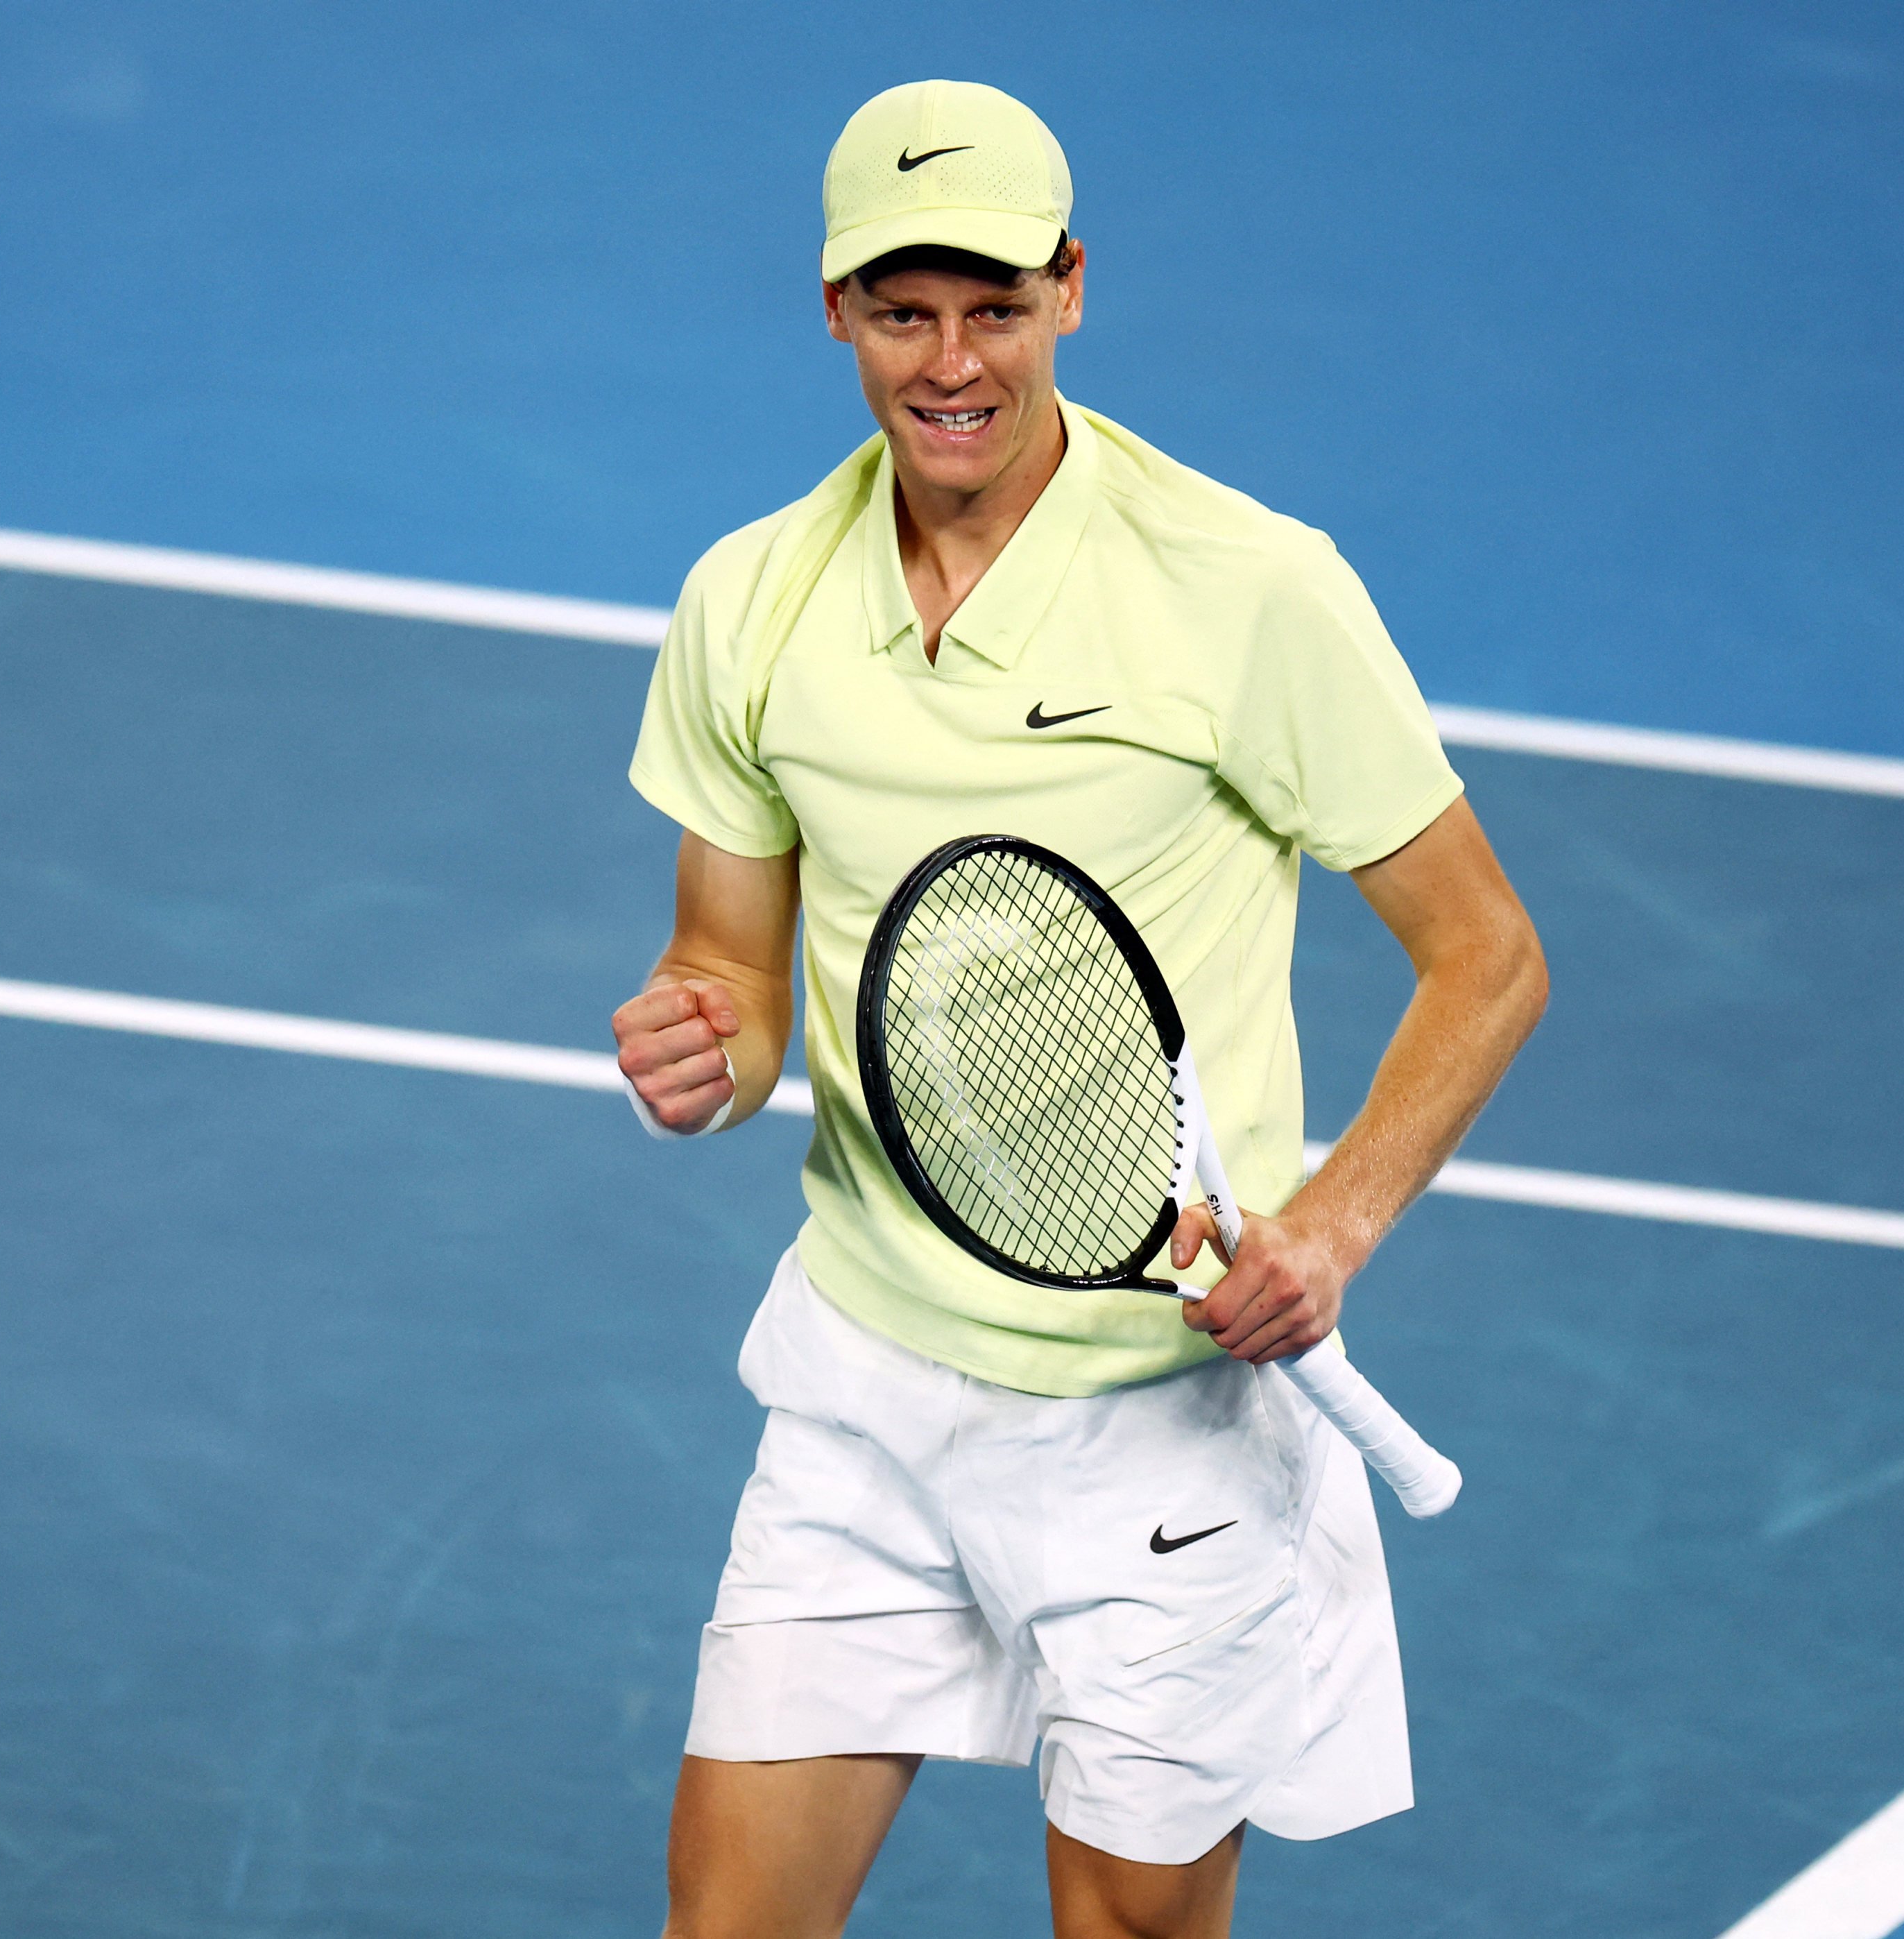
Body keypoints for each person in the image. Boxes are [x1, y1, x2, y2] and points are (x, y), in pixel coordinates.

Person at [612, 78, 1548, 1939]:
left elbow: (1489, 952)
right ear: (835, 315)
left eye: (996, 308)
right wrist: (699, 1043)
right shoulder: (750, 601)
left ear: (1071, 291)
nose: (953, 363)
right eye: (904, 312)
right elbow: (728, 963)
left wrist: (1333, 1221)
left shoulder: (1247, 591)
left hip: (1157, 1428)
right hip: (867, 1381)